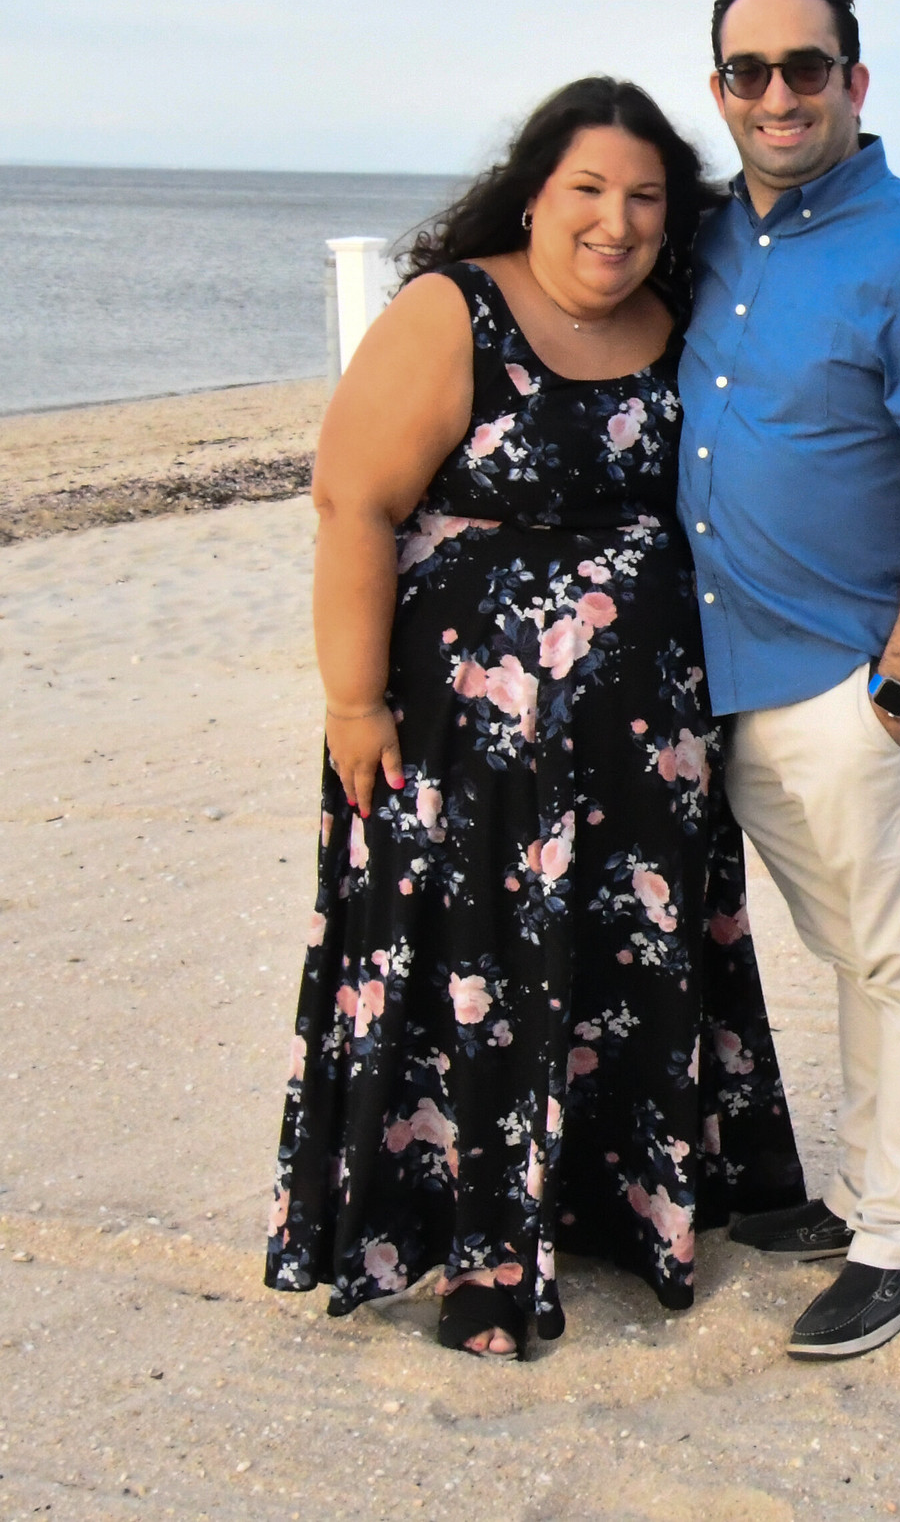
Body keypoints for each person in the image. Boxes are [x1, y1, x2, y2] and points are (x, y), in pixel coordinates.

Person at [266, 77, 807, 1358]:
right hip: (468, 748)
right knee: (484, 971)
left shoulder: (680, 324)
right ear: (532, 189)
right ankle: (483, 1251)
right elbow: (353, 505)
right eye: (587, 189)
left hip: (644, 750)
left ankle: (636, 1211)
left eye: (643, 197)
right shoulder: (454, 309)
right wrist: (350, 701)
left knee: (626, 970)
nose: (613, 222)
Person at [681, 0, 900, 1359]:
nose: (777, 95)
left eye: (804, 68)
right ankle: (868, 1192)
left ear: (853, 84)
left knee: (898, 954)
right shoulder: (708, 240)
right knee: (842, 949)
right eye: (748, 72)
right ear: (719, 93)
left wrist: (897, 685)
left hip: (847, 678)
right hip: (730, 677)